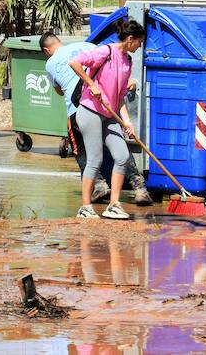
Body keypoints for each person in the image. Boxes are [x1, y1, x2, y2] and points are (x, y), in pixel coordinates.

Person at [39, 32, 152, 206]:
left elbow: (59, 90)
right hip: (104, 106)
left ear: (46, 50)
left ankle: (99, 186)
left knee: (81, 150)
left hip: (78, 109)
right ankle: (139, 188)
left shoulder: (50, 64)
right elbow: (112, 66)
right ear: (60, 41)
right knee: (118, 145)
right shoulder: (88, 46)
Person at [69, 19, 145, 220]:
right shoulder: (106, 52)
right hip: (90, 111)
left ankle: (114, 204)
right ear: (130, 39)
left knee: (122, 156)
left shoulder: (127, 62)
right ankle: (85, 207)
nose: (140, 46)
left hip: (110, 115)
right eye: (139, 42)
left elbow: (119, 99)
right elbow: (75, 62)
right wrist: (91, 85)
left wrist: (127, 122)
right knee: (96, 159)